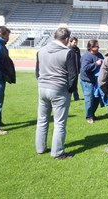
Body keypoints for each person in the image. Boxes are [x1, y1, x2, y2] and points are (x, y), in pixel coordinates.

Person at [35, 27, 77, 160]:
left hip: (43, 88)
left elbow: (37, 71)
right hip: (59, 89)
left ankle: (40, 148)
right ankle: (58, 152)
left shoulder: (41, 50)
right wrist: (69, 91)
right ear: (66, 39)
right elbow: (73, 76)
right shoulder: (68, 53)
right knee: (59, 123)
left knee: (42, 120)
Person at [80, 39, 104, 124]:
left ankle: (92, 114)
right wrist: (96, 64)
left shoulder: (99, 54)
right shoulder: (87, 56)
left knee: (97, 97)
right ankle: (89, 117)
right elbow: (85, 68)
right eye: (96, 46)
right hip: (87, 81)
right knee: (89, 99)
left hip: (96, 81)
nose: (98, 47)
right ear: (91, 47)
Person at [69, 36, 81, 101]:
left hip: (76, 70)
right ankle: (68, 97)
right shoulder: (68, 50)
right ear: (70, 42)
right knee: (70, 84)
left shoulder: (77, 50)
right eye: (74, 42)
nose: (75, 44)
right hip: (70, 71)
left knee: (75, 84)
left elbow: (79, 59)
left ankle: (76, 97)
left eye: (76, 42)